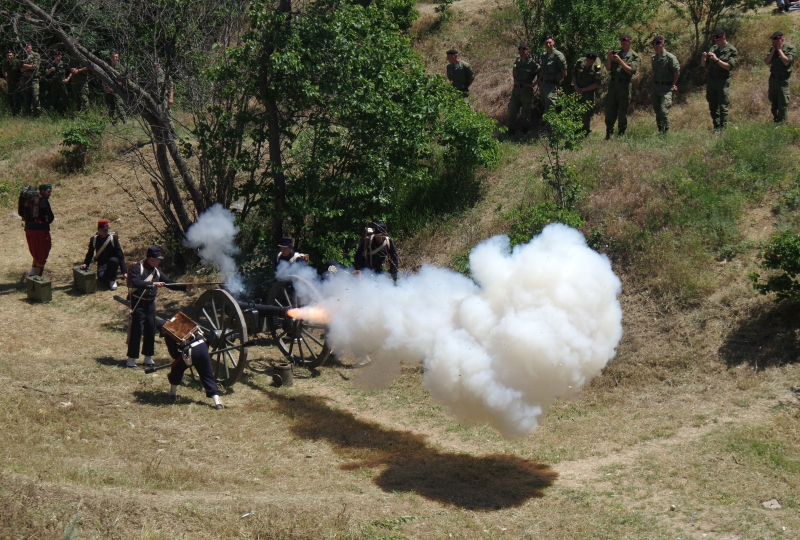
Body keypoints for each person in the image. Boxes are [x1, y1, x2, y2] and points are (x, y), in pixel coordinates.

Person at [126, 246, 193, 368]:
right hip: (138, 303)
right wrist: (153, 284)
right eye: (158, 258)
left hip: (150, 304)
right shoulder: (138, 268)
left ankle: (148, 357)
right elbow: (136, 282)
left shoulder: (156, 271)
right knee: (137, 331)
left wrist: (184, 287)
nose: (160, 261)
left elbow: (168, 282)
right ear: (151, 259)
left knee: (150, 330)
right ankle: (131, 359)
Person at [156, 315, 224, 410]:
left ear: (163, 330)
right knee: (207, 375)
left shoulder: (169, 333)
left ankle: (172, 394)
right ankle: (217, 402)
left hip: (191, 351)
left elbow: (174, 355)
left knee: (176, 368)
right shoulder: (185, 323)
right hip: (203, 347)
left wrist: (180, 350)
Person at [701, 29, 738, 131]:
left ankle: (723, 128)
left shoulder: (731, 50)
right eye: (715, 39)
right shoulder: (713, 48)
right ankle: (716, 127)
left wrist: (716, 59)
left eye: (718, 39)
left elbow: (729, 66)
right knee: (712, 105)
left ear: (724, 37)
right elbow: (704, 65)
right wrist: (704, 58)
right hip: (712, 81)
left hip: (722, 81)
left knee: (723, 106)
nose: (716, 41)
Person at [605, 35, 639, 139]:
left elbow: (631, 71)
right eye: (622, 43)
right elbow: (609, 69)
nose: (623, 45)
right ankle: (609, 132)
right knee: (610, 109)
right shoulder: (617, 54)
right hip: (613, 85)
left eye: (625, 43)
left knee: (622, 110)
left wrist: (620, 61)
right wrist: (609, 59)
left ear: (630, 43)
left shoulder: (633, 56)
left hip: (624, 85)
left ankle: (621, 132)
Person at [80, 219, 128, 290]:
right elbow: (90, 253)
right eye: (103, 230)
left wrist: (124, 271)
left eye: (106, 230)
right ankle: (110, 276)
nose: (105, 232)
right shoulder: (94, 240)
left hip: (113, 261)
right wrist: (86, 264)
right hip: (102, 263)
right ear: (98, 230)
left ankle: (112, 280)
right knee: (101, 277)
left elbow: (120, 255)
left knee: (113, 261)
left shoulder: (113, 239)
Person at [19, 184, 54, 277]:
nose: (49, 193)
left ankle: (32, 275)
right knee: (43, 252)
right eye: (48, 191)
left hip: (29, 230)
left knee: (35, 252)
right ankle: (37, 281)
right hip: (40, 231)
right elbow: (50, 217)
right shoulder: (43, 201)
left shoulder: (29, 200)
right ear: (42, 191)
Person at [507, 42, 539, 135]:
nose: (522, 52)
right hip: (516, 90)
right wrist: (515, 82)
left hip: (526, 91)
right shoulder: (517, 61)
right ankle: (511, 132)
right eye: (520, 50)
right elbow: (514, 71)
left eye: (524, 50)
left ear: (528, 51)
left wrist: (533, 84)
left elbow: (540, 74)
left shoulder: (532, 63)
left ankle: (525, 132)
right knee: (512, 110)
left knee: (525, 113)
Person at [650, 36, 681, 134]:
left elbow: (677, 73)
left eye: (658, 44)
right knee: (657, 112)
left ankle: (666, 132)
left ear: (663, 44)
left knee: (664, 111)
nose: (657, 46)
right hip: (656, 88)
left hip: (666, 88)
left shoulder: (670, 58)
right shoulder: (654, 58)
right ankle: (660, 131)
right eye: (655, 44)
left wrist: (672, 84)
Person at [765, 31, 797, 123]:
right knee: (774, 103)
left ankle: (783, 124)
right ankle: (776, 121)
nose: (773, 43)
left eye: (776, 41)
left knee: (782, 104)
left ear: (782, 40)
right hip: (773, 79)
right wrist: (774, 50)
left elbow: (787, 62)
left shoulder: (790, 48)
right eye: (773, 41)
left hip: (783, 80)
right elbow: (767, 61)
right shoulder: (772, 49)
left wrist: (779, 50)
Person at [571, 51, 602, 136]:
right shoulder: (580, 62)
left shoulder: (597, 67)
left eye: (591, 61)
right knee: (575, 110)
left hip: (588, 92)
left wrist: (584, 89)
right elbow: (573, 74)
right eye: (588, 60)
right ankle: (575, 130)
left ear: (594, 60)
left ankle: (585, 131)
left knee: (586, 112)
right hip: (577, 90)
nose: (589, 62)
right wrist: (576, 86)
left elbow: (596, 83)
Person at [537, 34, 568, 115]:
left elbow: (564, 73)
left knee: (550, 109)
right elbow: (541, 71)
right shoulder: (543, 56)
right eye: (546, 43)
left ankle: (550, 127)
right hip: (543, 85)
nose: (548, 45)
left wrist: (557, 85)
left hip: (552, 85)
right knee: (546, 106)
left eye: (550, 42)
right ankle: (549, 126)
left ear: (553, 42)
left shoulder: (558, 56)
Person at [103, 51, 127, 125]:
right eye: (113, 57)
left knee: (119, 105)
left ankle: (125, 122)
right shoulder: (107, 67)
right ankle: (114, 122)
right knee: (110, 106)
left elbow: (123, 80)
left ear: (118, 57)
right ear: (110, 57)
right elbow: (103, 77)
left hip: (117, 90)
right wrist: (105, 88)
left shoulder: (120, 67)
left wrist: (114, 88)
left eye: (116, 57)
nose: (114, 58)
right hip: (108, 90)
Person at [19, 42, 41, 116]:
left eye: (28, 46)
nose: (27, 48)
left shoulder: (36, 55)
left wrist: (25, 65)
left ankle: (38, 114)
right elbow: (21, 70)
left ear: (31, 47)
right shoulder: (22, 57)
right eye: (25, 47)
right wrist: (29, 65)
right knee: (27, 97)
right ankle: (29, 113)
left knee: (35, 96)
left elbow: (35, 67)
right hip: (25, 79)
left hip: (34, 79)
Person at [2, 50, 22, 115]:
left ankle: (17, 113)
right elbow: (3, 69)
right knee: (10, 98)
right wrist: (6, 77)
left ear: (13, 55)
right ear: (6, 56)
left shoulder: (17, 62)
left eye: (10, 55)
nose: (9, 57)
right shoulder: (6, 63)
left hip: (17, 83)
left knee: (16, 98)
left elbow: (22, 71)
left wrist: (20, 81)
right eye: (8, 55)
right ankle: (13, 113)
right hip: (10, 83)